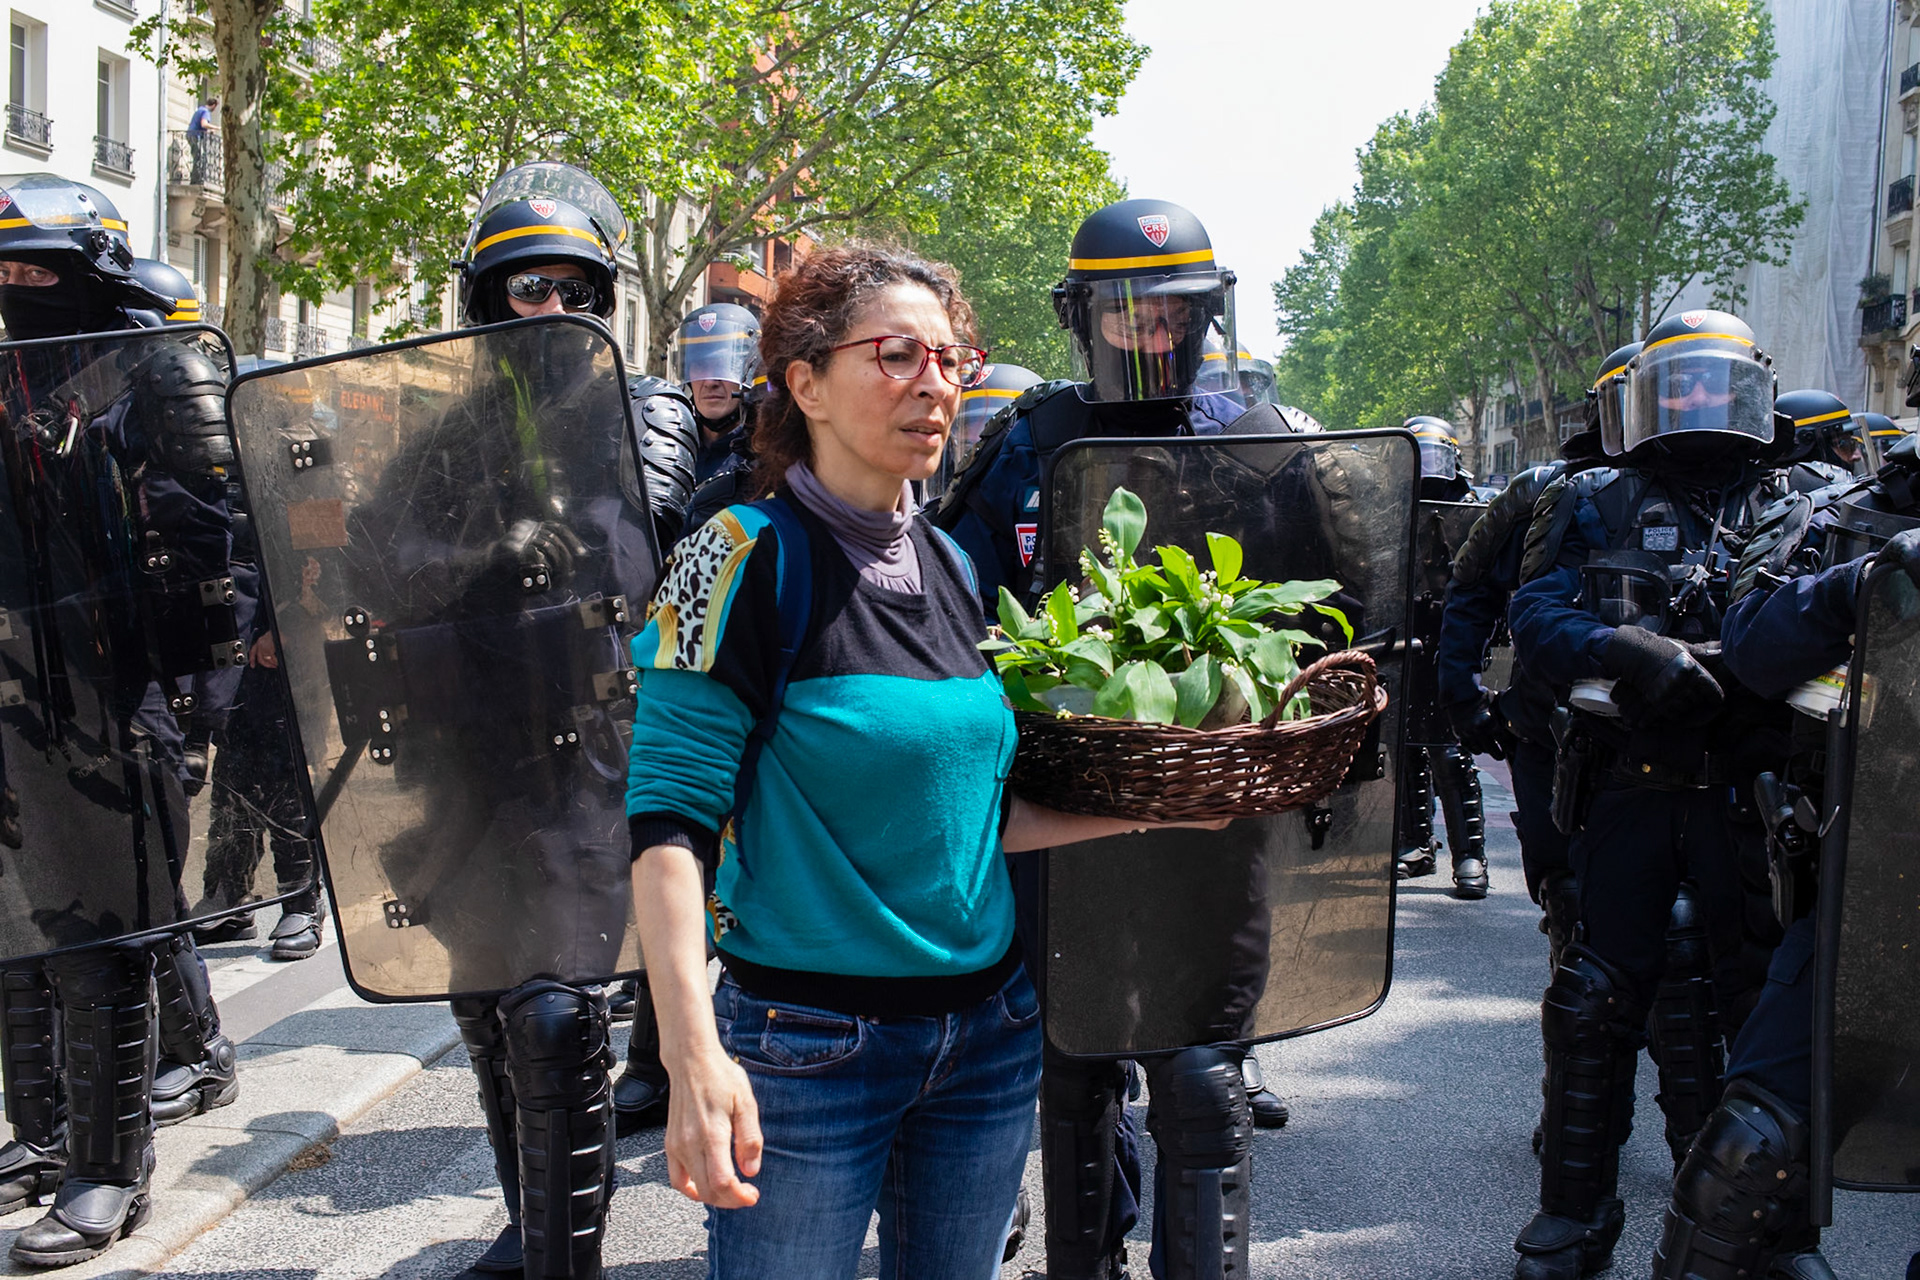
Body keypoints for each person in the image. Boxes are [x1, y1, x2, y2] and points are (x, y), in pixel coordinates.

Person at [625, 241, 1223, 1279]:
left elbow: (980, 813)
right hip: (807, 1048)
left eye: (950, 359)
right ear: (803, 381)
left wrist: (1167, 805)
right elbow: (667, 822)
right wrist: (690, 1056)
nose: (936, 384)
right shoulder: (735, 554)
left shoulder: (947, 558)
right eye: (898, 354)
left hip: (988, 1040)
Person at [936, 198, 1291, 1280]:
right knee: (1075, 1052)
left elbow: (1341, 608)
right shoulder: (1027, 440)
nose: (1152, 332)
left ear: (1206, 315)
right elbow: (959, 602)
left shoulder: (1257, 439)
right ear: (1082, 315)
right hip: (1068, 802)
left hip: (1209, 811)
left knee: (1196, 1064)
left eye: (1173, 310)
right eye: (1127, 310)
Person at [1505, 309, 1794, 1280]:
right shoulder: (1594, 496)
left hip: (1748, 798)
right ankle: (1572, 1216)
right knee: (1593, 1000)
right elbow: (1534, 617)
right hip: (1628, 784)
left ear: (1750, 391)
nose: (1701, 405)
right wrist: (1620, 647)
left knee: (1756, 1013)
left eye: (1719, 384)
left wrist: (1742, 664)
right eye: (1684, 385)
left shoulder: (1804, 496)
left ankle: (1760, 1234)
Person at [0, 175, 252, 1265]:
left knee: (101, 934)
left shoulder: (148, 379)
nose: (16, 290)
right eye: (2, 272)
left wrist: (193, 695)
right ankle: (43, 1134)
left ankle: (111, 1161)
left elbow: (206, 539)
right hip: (7, 684)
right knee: (14, 938)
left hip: (108, 692)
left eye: (36, 273)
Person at [1398, 416, 1489, 898]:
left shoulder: (1472, 510)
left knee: (1449, 750)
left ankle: (1469, 853)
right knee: (1407, 745)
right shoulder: (1389, 507)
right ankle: (1417, 844)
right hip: (1405, 634)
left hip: (1451, 636)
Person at [185, 97, 218, 185]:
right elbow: (204, 124)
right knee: (199, 157)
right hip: (195, 136)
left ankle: (195, 178)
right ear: (214, 105)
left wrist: (209, 131)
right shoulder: (205, 112)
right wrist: (217, 127)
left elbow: (200, 126)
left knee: (197, 156)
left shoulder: (200, 110)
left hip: (191, 134)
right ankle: (196, 180)